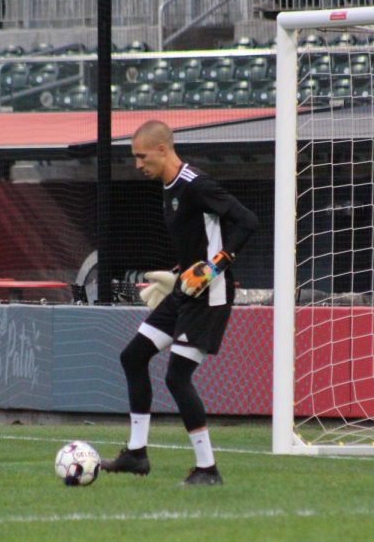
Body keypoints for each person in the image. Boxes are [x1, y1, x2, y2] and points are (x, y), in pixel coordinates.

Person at [101, 120, 258, 486]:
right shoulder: (168, 187)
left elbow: (247, 221)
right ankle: (136, 455)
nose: (138, 164)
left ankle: (208, 469)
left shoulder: (196, 185)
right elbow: (197, 239)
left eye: (141, 156)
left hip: (210, 298)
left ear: (162, 149)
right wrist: (180, 272)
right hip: (185, 292)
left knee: (177, 376)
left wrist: (215, 266)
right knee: (133, 356)